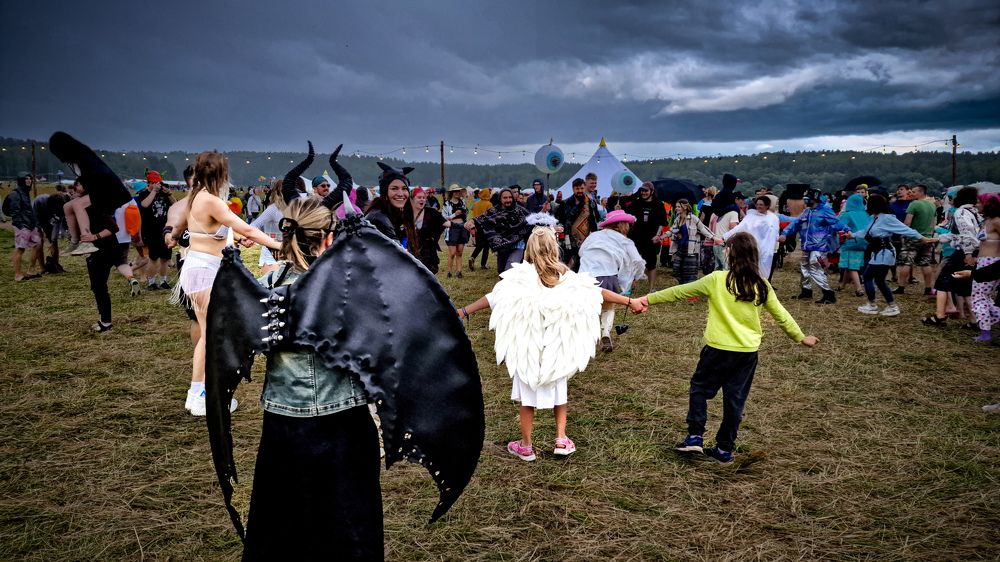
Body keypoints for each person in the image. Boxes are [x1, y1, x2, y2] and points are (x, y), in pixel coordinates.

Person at [457, 225, 645, 461]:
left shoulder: (518, 278)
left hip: (529, 346)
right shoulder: (567, 277)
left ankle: (526, 445)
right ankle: (561, 439)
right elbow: (597, 293)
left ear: (529, 249)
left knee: (527, 398)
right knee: (559, 393)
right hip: (556, 346)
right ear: (554, 248)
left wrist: (464, 311)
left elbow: (493, 298)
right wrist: (630, 301)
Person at [638, 232, 818, 465]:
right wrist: (800, 337)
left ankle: (694, 436)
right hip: (746, 353)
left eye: (726, 247)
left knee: (700, 389)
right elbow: (781, 315)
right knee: (735, 400)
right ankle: (724, 450)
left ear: (731, 253)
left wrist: (646, 300)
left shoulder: (717, 279)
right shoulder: (762, 285)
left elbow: (679, 292)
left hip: (717, 350)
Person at [179, 151, 281, 416]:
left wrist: (235, 238)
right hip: (203, 271)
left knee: (209, 333)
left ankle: (198, 393)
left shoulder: (195, 197)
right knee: (210, 336)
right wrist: (281, 246)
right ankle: (200, 395)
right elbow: (247, 229)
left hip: (200, 269)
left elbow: (218, 232)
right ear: (221, 174)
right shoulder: (211, 201)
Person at [847, 194, 934, 317]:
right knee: (878, 280)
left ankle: (875, 305)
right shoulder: (874, 218)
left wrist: (922, 238)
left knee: (868, 276)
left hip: (884, 252)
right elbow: (865, 232)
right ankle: (889, 305)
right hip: (878, 252)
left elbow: (905, 229)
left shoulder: (887, 218)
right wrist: (852, 235)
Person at [578, 210, 647, 352]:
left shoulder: (594, 236)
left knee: (586, 309)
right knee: (608, 306)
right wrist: (636, 276)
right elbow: (638, 261)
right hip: (607, 276)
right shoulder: (625, 241)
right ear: (623, 225)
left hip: (584, 276)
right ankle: (605, 333)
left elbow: (581, 251)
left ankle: (586, 338)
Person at [923, 187, 980, 327]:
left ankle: (940, 316)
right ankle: (975, 321)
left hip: (964, 253)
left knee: (942, 283)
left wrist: (968, 253)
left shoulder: (960, 212)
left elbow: (967, 233)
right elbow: (958, 234)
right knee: (965, 288)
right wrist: (936, 239)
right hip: (975, 251)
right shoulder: (976, 212)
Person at [780, 190, 846, 305]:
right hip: (806, 245)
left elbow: (837, 222)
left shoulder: (825, 211)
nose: (805, 201)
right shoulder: (807, 212)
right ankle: (806, 291)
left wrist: (847, 230)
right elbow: (796, 224)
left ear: (814, 199)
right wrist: (784, 233)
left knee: (815, 267)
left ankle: (828, 294)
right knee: (804, 267)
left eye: (807, 198)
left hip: (819, 246)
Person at [466, 187, 531, 273]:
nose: (508, 200)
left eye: (510, 197)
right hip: (502, 247)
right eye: (505, 198)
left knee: (510, 270)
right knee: (501, 272)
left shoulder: (520, 210)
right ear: (500, 199)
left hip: (517, 245)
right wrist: (471, 221)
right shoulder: (494, 210)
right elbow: (482, 219)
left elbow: (533, 220)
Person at [721, 195, 781, 279]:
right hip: (751, 247)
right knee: (750, 268)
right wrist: (725, 236)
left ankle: (762, 285)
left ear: (767, 206)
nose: (758, 206)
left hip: (766, 248)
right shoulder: (750, 217)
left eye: (761, 204)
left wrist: (777, 240)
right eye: (757, 204)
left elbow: (775, 232)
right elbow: (739, 228)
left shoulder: (773, 218)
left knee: (763, 271)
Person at [622, 181, 668, 291]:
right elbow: (626, 216)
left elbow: (662, 222)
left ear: (652, 192)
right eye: (642, 190)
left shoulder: (658, 204)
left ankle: (651, 288)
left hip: (651, 238)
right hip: (636, 237)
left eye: (646, 190)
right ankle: (629, 287)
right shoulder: (636, 203)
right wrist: (620, 208)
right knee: (633, 261)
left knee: (651, 263)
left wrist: (658, 235)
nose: (643, 193)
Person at [135, 170, 174, 290]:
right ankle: (151, 282)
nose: (157, 185)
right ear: (149, 183)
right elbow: (145, 205)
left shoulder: (164, 192)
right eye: (154, 183)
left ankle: (163, 281)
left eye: (158, 183)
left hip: (165, 230)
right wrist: (153, 192)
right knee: (153, 258)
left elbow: (175, 205)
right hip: (151, 231)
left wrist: (169, 194)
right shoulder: (144, 194)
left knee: (165, 258)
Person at [895, 184, 937, 295]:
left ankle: (901, 287)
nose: (911, 193)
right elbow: (933, 223)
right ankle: (928, 288)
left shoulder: (914, 204)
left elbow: (907, 222)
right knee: (925, 263)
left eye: (913, 192)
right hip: (927, 237)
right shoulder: (932, 205)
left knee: (906, 262)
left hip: (913, 237)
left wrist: (902, 233)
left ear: (921, 192)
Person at [970, 194, 1000, 342]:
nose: (975, 204)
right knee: (984, 297)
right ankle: (987, 326)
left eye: (978, 202)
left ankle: (985, 332)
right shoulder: (986, 221)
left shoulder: (996, 221)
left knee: (979, 298)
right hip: (983, 261)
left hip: (991, 263)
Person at [366, 162, 416, 245]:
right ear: (385, 192)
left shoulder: (394, 214)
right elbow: (398, 254)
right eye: (394, 188)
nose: (400, 194)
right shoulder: (379, 218)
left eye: (404, 188)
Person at [668, 198, 715, 285]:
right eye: (676, 206)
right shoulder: (677, 219)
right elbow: (672, 231)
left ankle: (690, 292)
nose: (676, 208)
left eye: (678, 206)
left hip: (691, 249)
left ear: (685, 207)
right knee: (676, 269)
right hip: (680, 248)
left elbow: (703, 229)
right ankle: (683, 286)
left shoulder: (693, 218)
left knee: (690, 272)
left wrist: (714, 238)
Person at [556, 178, 599, 270]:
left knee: (583, 266)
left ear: (584, 188)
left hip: (586, 240)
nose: (580, 191)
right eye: (577, 189)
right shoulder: (565, 203)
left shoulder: (591, 203)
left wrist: (595, 238)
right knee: (567, 265)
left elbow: (595, 221)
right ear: (573, 189)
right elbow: (560, 223)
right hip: (568, 239)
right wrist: (562, 239)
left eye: (582, 188)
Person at [9, 173, 43, 281]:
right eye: (26, 179)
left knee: (38, 244)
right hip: (22, 226)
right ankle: (18, 274)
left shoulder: (25, 192)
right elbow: (15, 211)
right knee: (20, 249)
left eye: (30, 178)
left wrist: (35, 224)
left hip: (31, 224)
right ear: (21, 180)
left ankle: (31, 270)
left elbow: (28, 210)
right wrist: (20, 225)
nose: (29, 180)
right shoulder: (15, 193)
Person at [836, 193, 871, 297]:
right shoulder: (866, 214)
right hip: (863, 242)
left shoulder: (847, 214)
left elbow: (839, 226)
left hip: (850, 241)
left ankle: (859, 288)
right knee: (851, 264)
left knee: (852, 267)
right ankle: (842, 285)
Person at [410, 187, 447, 273]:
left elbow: (444, 223)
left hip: (427, 250)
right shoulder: (405, 213)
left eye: (423, 197)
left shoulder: (431, 212)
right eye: (419, 197)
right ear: (412, 199)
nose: (422, 199)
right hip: (410, 249)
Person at [443, 184, 470, 278]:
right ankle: (449, 271)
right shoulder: (446, 204)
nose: (457, 193)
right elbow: (444, 218)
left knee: (460, 252)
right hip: (452, 228)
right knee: (452, 253)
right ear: (451, 193)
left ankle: (459, 271)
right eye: (455, 191)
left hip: (462, 227)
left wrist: (465, 212)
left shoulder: (462, 202)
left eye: (458, 191)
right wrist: (454, 214)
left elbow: (466, 213)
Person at [468, 188, 493, 270]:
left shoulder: (476, 204)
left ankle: (472, 257)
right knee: (486, 246)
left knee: (479, 246)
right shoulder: (489, 204)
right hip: (486, 227)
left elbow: (472, 211)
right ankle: (483, 264)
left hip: (477, 226)